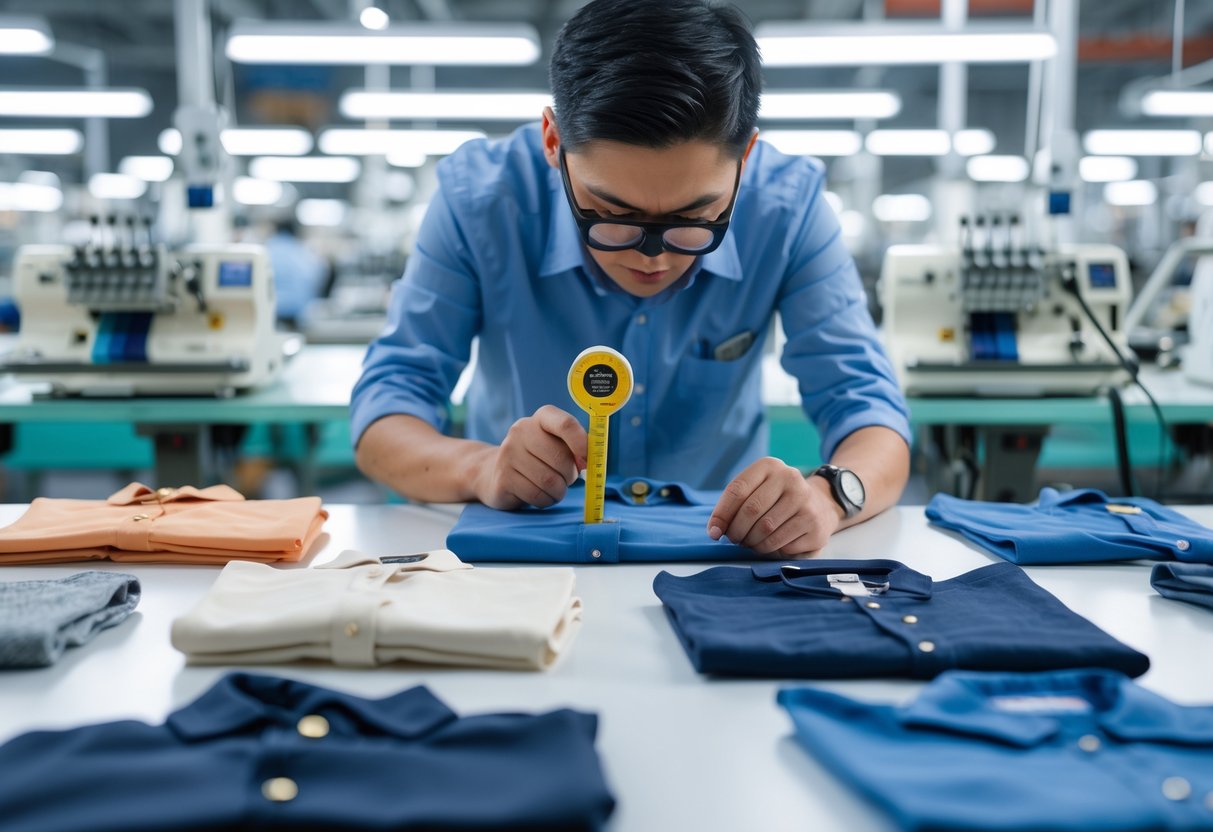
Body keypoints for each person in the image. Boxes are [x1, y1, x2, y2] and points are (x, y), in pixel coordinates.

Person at [352, 0, 911, 556]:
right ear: (554, 143)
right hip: (524, 545)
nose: (653, 257)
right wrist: (481, 467)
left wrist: (828, 498)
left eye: (694, 219)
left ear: (746, 158)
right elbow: (387, 408)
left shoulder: (788, 208)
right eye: (612, 214)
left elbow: (868, 409)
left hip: (719, 551)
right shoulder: (480, 201)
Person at [263, 218, 326, 326]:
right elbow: (319, 275)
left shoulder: (265, 250)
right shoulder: (303, 251)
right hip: (297, 314)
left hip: (269, 312)